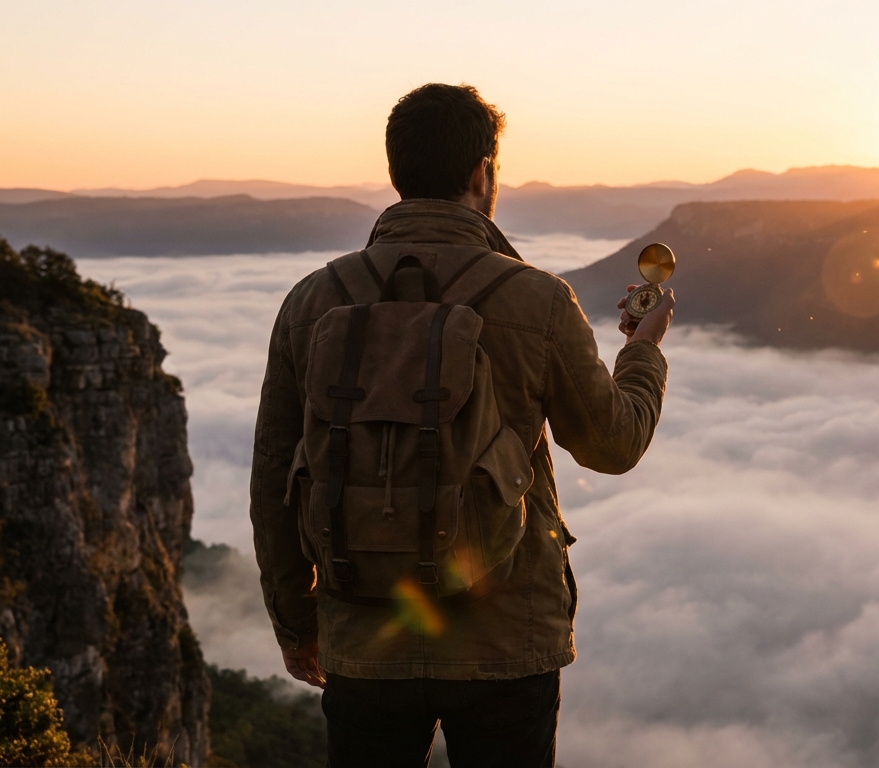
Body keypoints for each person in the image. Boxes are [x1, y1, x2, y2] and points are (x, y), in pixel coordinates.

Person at [249, 82, 674, 767]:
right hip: (506, 644)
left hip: (364, 638)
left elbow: (274, 477)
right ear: (482, 173)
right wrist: (644, 351)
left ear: (397, 172)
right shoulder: (535, 299)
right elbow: (613, 443)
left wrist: (300, 623)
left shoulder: (313, 300)